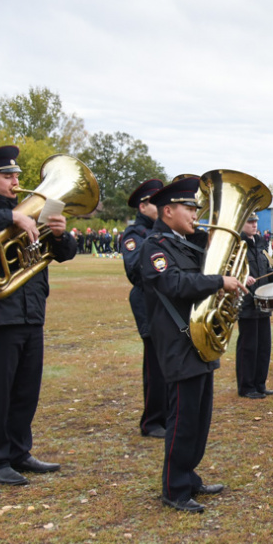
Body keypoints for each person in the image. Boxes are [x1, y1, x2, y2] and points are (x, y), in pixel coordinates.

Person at [0, 145, 77, 485]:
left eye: (17, 175)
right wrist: (11, 218)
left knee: (26, 390)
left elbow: (65, 254)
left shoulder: (31, 210)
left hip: (31, 313)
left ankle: (20, 453)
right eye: (8, 176)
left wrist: (62, 234)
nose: (15, 181)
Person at [141, 176, 246, 513]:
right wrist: (218, 281)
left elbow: (221, 258)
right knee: (183, 417)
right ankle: (174, 487)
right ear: (168, 210)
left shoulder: (191, 241)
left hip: (200, 338)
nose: (195, 213)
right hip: (178, 339)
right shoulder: (155, 246)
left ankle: (189, 475)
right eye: (189, 208)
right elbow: (173, 283)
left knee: (200, 416)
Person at [121, 178, 168, 438]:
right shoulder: (135, 235)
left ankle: (168, 414)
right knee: (155, 365)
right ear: (143, 207)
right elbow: (135, 270)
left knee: (169, 362)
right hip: (148, 304)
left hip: (166, 302)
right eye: (156, 202)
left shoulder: (161, 230)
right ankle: (151, 421)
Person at [237, 212, 273, 398]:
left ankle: (260, 384)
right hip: (246, 302)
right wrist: (242, 278)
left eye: (255, 221)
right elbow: (228, 270)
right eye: (250, 222)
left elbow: (268, 271)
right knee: (249, 347)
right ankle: (247, 387)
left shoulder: (260, 243)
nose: (254, 225)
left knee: (264, 346)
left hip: (263, 302)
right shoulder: (236, 245)